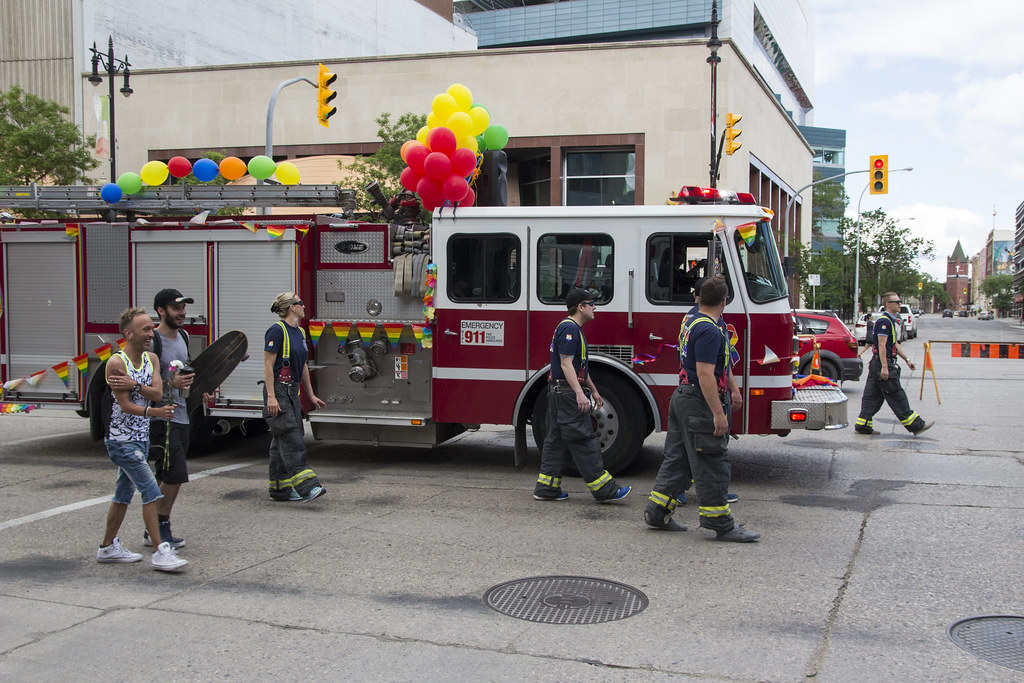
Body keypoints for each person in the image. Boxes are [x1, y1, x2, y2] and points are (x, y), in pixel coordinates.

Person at [644, 277, 760, 542]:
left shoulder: (692, 319)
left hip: (682, 397)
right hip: (699, 400)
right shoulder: (709, 329)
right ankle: (720, 523)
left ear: (697, 298)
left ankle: (657, 512)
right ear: (724, 301)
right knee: (712, 462)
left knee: (677, 459)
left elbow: (718, 362)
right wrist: (718, 413)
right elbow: (706, 373)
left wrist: (733, 387)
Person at [97, 306, 188, 571]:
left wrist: (136, 386)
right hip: (121, 440)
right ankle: (161, 551)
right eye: (145, 329)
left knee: (123, 494)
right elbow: (125, 405)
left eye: (151, 328)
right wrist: (154, 411)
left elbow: (157, 392)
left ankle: (107, 547)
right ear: (128, 333)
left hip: (141, 437)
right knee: (150, 491)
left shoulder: (151, 359)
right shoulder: (116, 362)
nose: (151, 333)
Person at [533, 287, 631, 503]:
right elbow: (566, 363)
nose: (595, 307)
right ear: (580, 307)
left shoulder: (571, 328)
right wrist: (579, 393)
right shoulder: (569, 330)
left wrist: (594, 390)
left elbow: (579, 367)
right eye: (591, 303)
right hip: (567, 395)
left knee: (556, 441)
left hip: (560, 393)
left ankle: (547, 488)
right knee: (585, 440)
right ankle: (605, 490)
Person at [144, 288, 196, 550]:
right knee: (175, 474)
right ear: (161, 311)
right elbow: (141, 382)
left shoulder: (184, 336)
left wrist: (201, 389)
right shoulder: (152, 340)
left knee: (165, 474)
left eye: (184, 308)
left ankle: (151, 526)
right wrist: (169, 382)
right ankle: (161, 527)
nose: (182, 313)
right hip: (160, 417)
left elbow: (186, 372)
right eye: (176, 309)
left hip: (182, 414)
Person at [264, 291, 326, 502]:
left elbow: (303, 366)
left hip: (292, 392)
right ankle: (307, 487)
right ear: (292, 307)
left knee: (280, 439)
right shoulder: (276, 330)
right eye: (301, 303)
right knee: (292, 439)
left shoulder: (299, 332)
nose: (304, 307)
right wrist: (271, 397)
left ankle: (279, 489)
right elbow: (268, 365)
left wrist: (311, 394)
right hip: (279, 391)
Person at [856, 293, 934, 436]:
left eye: (900, 301)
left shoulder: (891, 321)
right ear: (888, 304)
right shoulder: (884, 322)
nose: (899, 304)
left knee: (872, 396)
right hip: (882, 363)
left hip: (877, 363)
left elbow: (894, 344)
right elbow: (881, 344)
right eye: (896, 302)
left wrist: (907, 359)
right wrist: (885, 367)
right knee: (896, 394)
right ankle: (916, 425)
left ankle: (863, 425)